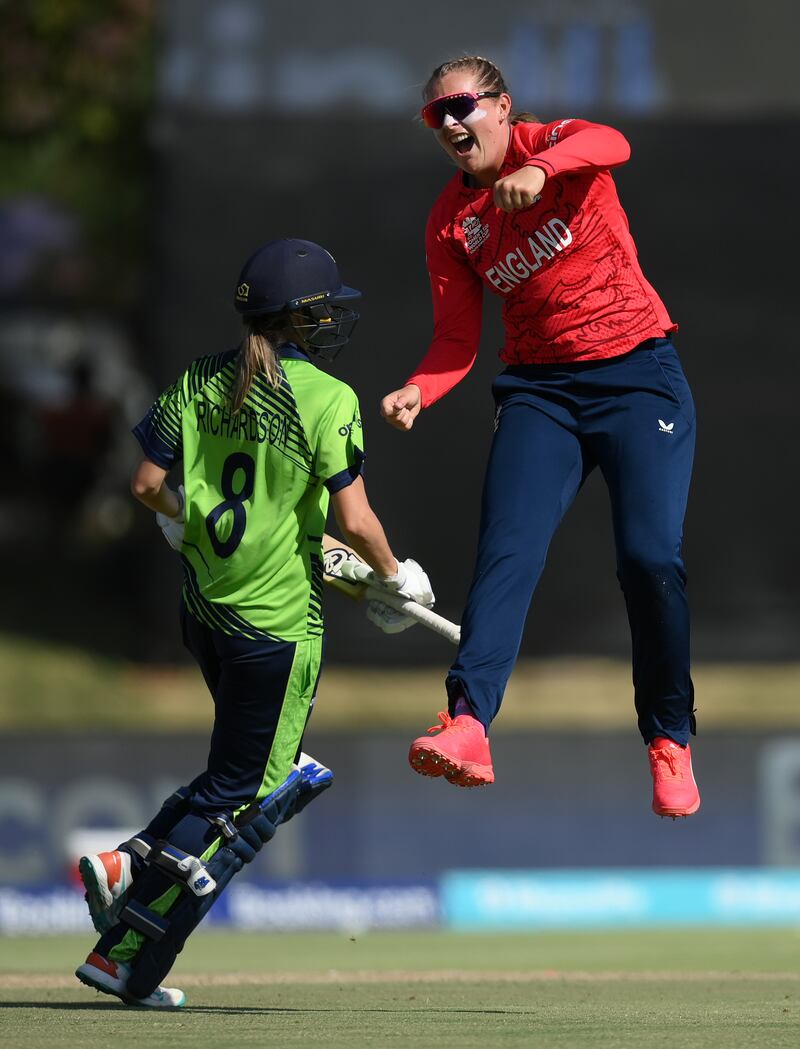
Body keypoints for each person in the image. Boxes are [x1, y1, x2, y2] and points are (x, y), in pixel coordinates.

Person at [74, 238, 434, 1008]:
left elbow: (146, 482)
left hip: (204, 609)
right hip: (276, 625)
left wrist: (179, 520)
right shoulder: (328, 398)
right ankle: (125, 874)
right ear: (302, 316)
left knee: (237, 774)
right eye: (325, 307)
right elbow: (357, 517)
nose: (333, 317)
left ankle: (125, 948)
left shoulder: (202, 376)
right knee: (252, 787)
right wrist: (399, 578)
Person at [379, 56, 699, 818]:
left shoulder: (553, 145)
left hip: (638, 375)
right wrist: (419, 388)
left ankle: (669, 735)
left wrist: (543, 165)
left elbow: (612, 141)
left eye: (462, 106)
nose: (451, 123)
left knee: (650, 558)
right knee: (507, 554)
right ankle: (467, 722)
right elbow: (457, 339)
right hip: (541, 394)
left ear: (501, 106)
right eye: (436, 116)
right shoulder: (451, 221)